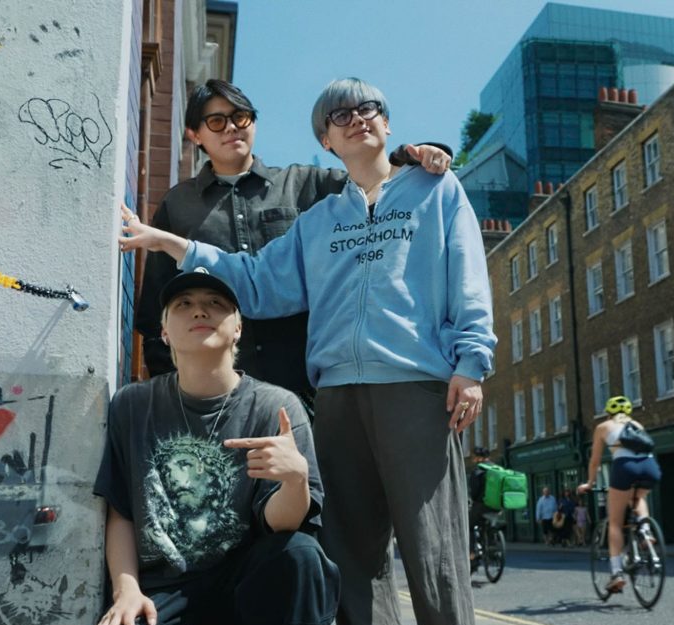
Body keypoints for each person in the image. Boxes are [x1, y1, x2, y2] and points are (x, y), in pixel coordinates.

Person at [119, 77, 494, 625]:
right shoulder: (319, 221)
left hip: (417, 389)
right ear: (325, 140)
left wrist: (471, 363)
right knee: (354, 566)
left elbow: (469, 277)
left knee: (437, 562)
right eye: (339, 115)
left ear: (387, 123)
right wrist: (172, 244)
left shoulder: (436, 189)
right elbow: (257, 280)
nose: (356, 118)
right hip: (337, 400)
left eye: (368, 108)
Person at [82, 270, 340, 625]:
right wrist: (125, 590)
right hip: (164, 594)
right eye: (183, 304)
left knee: (303, 555)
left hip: (245, 590)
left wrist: (295, 481)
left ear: (238, 328)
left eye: (215, 303)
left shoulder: (275, 407)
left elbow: (283, 527)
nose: (200, 310)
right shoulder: (132, 405)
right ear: (164, 331)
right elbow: (121, 512)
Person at [136, 79, 453, 405]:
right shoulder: (178, 206)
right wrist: (174, 393)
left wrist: (414, 155)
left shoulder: (308, 185)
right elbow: (154, 315)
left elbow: (371, 176)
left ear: (253, 122)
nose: (231, 128)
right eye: (217, 121)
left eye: (240, 117)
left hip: (307, 390)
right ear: (194, 135)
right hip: (216, 395)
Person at [577, 395, 662, 593]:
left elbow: (595, 461)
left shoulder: (603, 427)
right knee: (638, 497)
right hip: (650, 466)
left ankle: (616, 573)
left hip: (625, 467)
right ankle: (645, 531)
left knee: (615, 523)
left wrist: (590, 483)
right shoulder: (637, 424)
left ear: (609, 413)